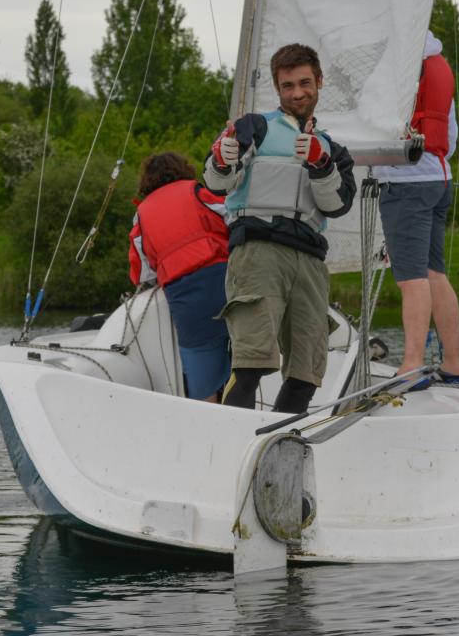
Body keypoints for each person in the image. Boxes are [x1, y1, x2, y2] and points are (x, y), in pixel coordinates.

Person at [204, 43, 357, 414]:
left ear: (319, 82)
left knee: (307, 371)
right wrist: (221, 160)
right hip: (259, 251)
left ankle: (280, 438)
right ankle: (231, 438)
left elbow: (337, 205)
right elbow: (217, 182)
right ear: (277, 88)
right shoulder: (255, 127)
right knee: (250, 362)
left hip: (310, 260)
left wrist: (321, 164)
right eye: (288, 86)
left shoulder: (334, 151)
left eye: (304, 83)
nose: (297, 93)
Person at [373, 30, 459, 388]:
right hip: (439, 178)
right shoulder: (438, 66)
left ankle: (411, 366)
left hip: (405, 183)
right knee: (434, 273)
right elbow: (450, 140)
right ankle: (453, 366)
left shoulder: (397, 66)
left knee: (411, 279)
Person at [128, 152, 231, 401]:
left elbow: (141, 272)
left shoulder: (142, 214)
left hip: (185, 296)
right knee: (245, 361)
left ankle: (210, 413)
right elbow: (232, 216)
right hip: (224, 279)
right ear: (182, 169)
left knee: (203, 377)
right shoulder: (195, 191)